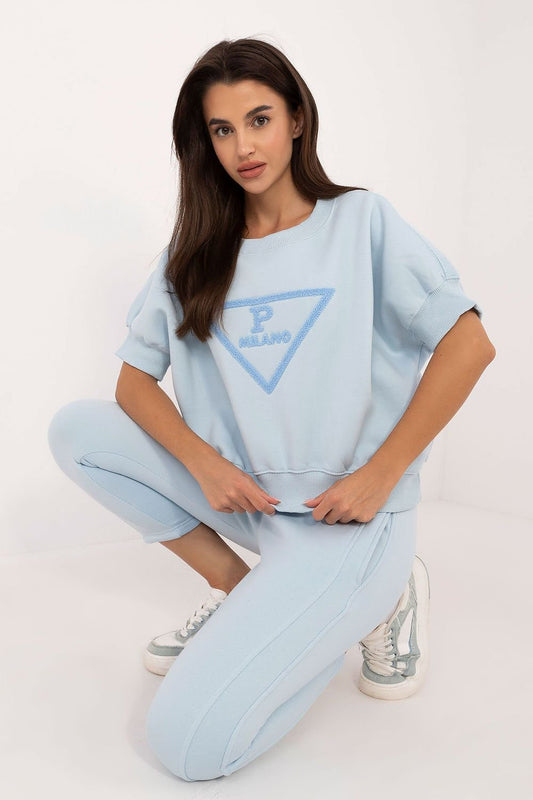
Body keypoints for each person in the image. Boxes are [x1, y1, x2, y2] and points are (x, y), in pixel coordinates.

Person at [47, 37, 496, 782]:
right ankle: (242, 590)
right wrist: (205, 463)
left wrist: (381, 475)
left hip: (343, 521)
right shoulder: (198, 251)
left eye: (258, 119)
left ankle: (379, 598)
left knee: (187, 747)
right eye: (222, 130)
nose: (243, 147)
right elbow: (133, 384)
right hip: (252, 503)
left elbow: (468, 345)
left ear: (296, 120)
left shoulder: (361, 223)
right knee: (77, 431)